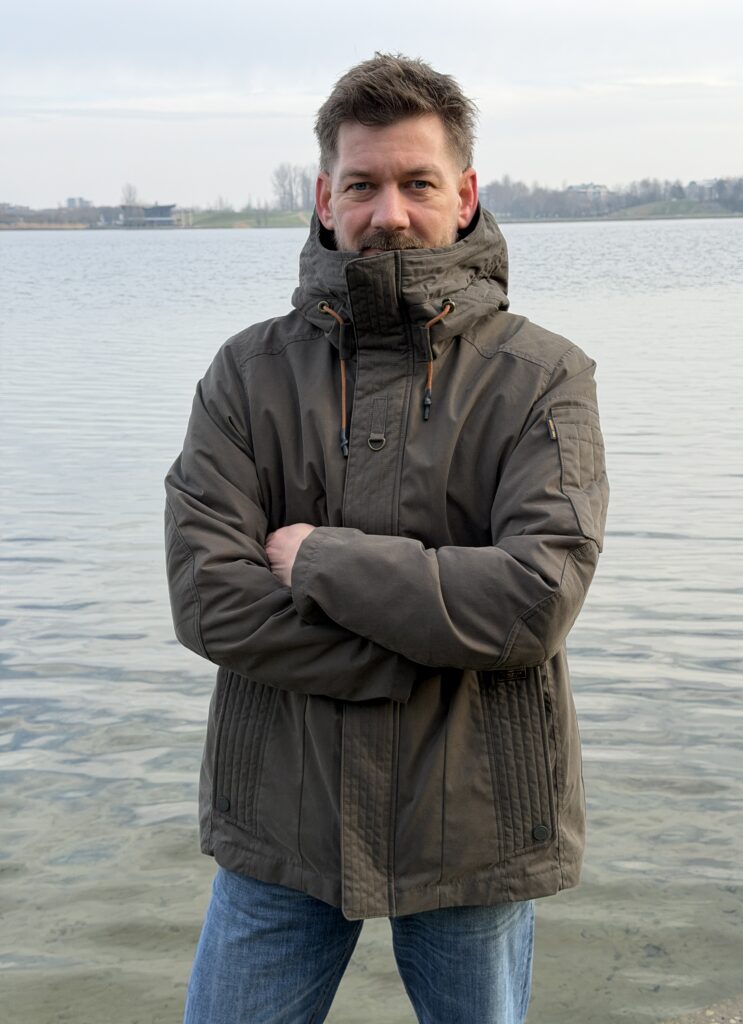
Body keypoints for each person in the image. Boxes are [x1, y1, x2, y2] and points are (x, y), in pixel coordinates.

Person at [165, 53, 608, 1024]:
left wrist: (317, 560)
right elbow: (208, 597)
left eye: (418, 182)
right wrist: (433, 641)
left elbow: (535, 599)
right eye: (363, 185)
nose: (390, 212)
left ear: (466, 192)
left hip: (476, 820)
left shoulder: (545, 377)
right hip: (281, 814)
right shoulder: (244, 377)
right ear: (325, 197)